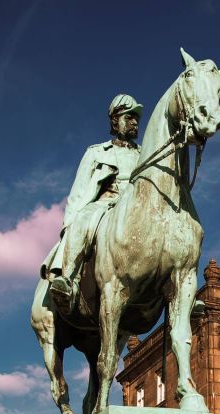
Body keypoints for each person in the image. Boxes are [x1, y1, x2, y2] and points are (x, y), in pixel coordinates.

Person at [42, 94, 142, 314]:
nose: (135, 122)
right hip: (106, 205)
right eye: (129, 116)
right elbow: (78, 192)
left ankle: (179, 292)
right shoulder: (96, 152)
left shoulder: (145, 154)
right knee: (83, 220)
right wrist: (71, 223)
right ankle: (69, 282)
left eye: (136, 118)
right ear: (115, 120)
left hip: (138, 206)